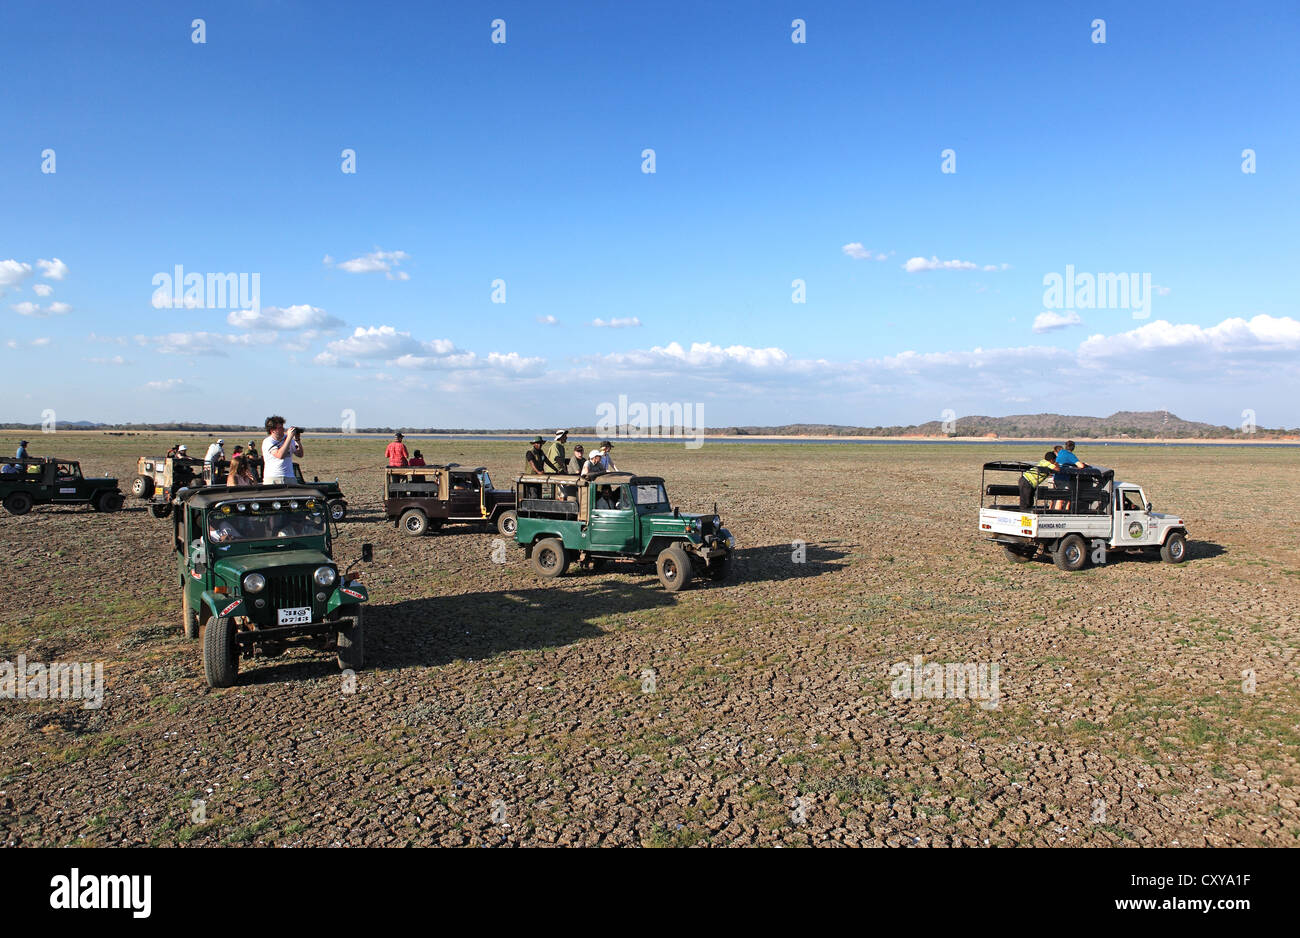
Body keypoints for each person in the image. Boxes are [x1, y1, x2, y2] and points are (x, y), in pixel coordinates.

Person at [262, 416, 303, 485]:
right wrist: (289, 437)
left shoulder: (287, 439)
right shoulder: (268, 442)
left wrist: (297, 440)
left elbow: (300, 454)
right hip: (274, 477)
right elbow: (280, 455)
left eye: (283, 427)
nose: (283, 429)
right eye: (280, 428)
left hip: (289, 476)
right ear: (272, 430)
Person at [1051, 441, 1087, 510]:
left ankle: (1063, 511)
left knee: (1063, 497)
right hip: (1063, 479)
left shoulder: (1061, 452)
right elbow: (1081, 466)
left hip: (1056, 477)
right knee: (1062, 498)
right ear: (1073, 447)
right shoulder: (1070, 455)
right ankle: (1057, 513)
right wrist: (1084, 464)